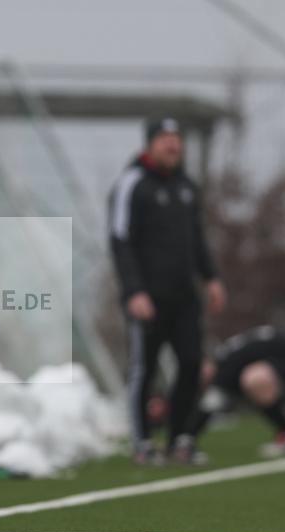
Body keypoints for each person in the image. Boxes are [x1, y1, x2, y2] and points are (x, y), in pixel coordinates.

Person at [108, 116, 226, 466]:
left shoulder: (187, 187)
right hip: (147, 297)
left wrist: (212, 277)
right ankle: (143, 442)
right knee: (144, 369)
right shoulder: (132, 184)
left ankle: (179, 439)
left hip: (185, 296)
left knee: (191, 363)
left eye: (177, 138)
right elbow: (120, 240)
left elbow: (197, 239)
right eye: (165, 138)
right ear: (150, 143)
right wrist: (133, 291)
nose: (172, 145)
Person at [188, 326, 285, 458]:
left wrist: (187, 436)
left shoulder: (226, 364)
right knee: (257, 383)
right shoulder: (228, 352)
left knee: (254, 379)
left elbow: (212, 402)